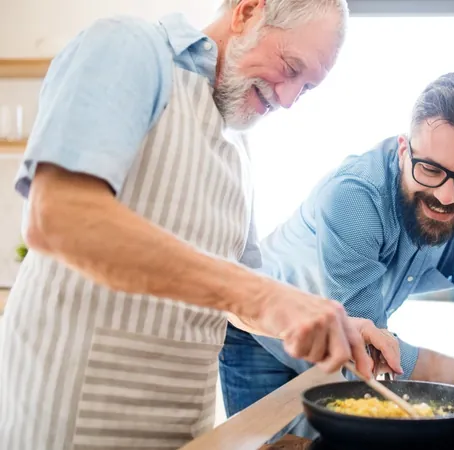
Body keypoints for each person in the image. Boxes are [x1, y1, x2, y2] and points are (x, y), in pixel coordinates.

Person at [0, 1, 378, 449]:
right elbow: (58, 218)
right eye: (291, 67)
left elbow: (243, 294)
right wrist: (261, 294)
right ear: (247, 12)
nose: (289, 99)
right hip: (70, 422)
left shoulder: (238, 148)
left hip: (185, 430)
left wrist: (328, 322)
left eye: (307, 88)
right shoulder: (130, 46)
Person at [220, 71, 454, 417]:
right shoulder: (353, 195)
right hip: (262, 340)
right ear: (403, 151)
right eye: (430, 169)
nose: (446, 196)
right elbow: (372, 352)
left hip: (344, 348)